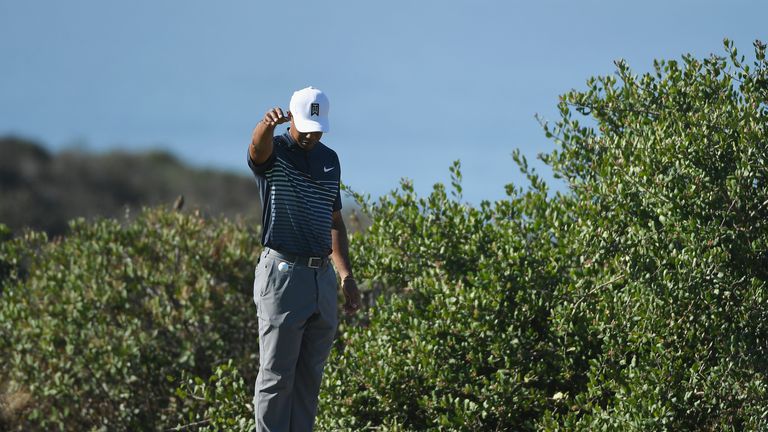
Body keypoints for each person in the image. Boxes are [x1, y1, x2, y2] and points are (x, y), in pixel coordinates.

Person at [247, 86, 362, 432]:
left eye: (317, 128)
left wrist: (345, 275)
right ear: (292, 120)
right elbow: (256, 151)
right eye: (306, 126)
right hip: (283, 274)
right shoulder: (277, 151)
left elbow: (335, 221)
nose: (312, 134)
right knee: (277, 375)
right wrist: (265, 126)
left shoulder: (330, 159)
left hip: (321, 278)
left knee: (309, 378)